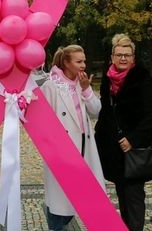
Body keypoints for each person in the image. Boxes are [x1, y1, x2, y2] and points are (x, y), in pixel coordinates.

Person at [95, 33, 152, 231]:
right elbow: (105, 113)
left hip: (134, 149)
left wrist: (132, 139)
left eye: (127, 55)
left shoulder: (141, 77)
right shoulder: (107, 80)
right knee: (122, 196)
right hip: (114, 150)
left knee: (134, 198)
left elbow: (151, 114)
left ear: (133, 58)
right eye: (119, 54)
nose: (123, 58)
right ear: (112, 57)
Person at [41, 45, 106, 231]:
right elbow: (44, 122)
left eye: (84, 60)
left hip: (85, 147)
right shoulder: (50, 86)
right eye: (79, 61)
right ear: (66, 63)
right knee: (60, 202)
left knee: (83, 197)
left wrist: (87, 90)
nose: (83, 65)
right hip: (62, 152)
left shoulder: (81, 83)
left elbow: (96, 111)